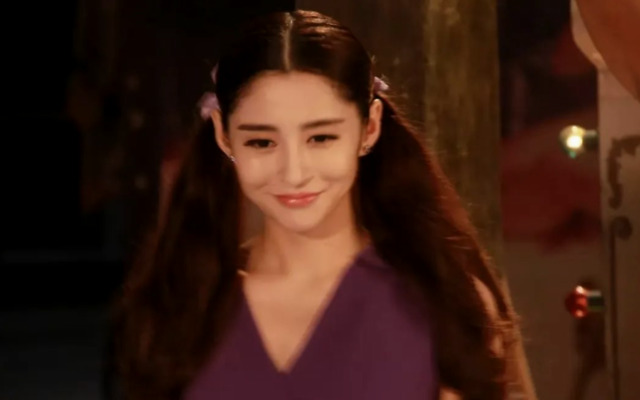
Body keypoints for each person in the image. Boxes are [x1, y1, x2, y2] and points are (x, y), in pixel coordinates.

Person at [113, 10, 516, 400]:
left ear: (370, 127)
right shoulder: (182, 303)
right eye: (261, 142)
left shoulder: (442, 301)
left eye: (321, 138)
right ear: (223, 136)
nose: (293, 173)